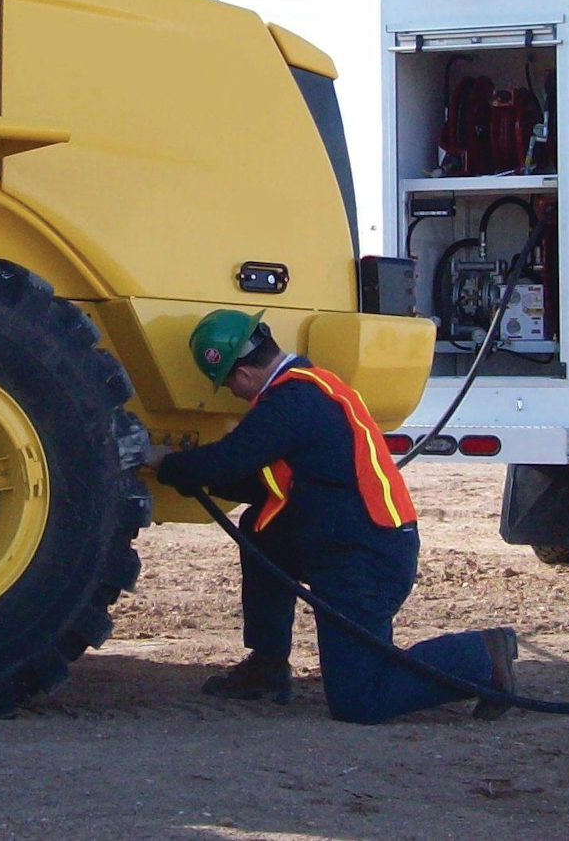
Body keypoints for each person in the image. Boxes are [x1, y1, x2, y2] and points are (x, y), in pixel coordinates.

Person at [150, 308, 517, 723]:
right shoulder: (309, 388)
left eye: (228, 383)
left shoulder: (291, 402)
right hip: (351, 542)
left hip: (362, 561)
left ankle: (482, 657)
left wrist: (162, 463)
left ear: (244, 375)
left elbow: (228, 460)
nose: (232, 393)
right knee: (260, 528)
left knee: (359, 700)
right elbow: (259, 484)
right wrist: (187, 473)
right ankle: (267, 664)